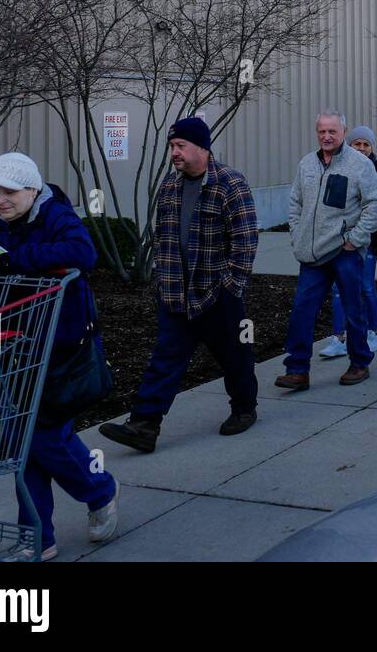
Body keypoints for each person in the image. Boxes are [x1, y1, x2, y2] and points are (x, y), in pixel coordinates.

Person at [0, 152, 119, 561]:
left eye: (8, 191)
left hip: (60, 341)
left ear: (32, 190)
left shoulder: (55, 215)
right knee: (24, 437)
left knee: (40, 435)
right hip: (12, 344)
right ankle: (36, 536)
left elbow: (81, 253)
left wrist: (11, 261)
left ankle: (97, 490)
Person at [100, 116, 259, 453]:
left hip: (217, 292)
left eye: (180, 145)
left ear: (201, 147)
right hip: (175, 291)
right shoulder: (170, 187)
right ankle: (144, 425)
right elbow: (163, 238)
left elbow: (245, 242)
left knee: (235, 354)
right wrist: (162, 279)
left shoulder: (230, 183)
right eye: (172, 146)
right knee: (166, 356)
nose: (174, 152)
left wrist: (231, 286)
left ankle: (244, 408)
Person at [272, 111, 377, 392]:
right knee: (302, 310)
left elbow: (376, 205)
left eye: (332, 131)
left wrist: (355, 238)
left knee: (353, 308)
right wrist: (297, 236)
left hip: (344, 252)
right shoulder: (307, 164)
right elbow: (295, 203)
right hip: (312, 255)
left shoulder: (359, 165)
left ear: (343, 132)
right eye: (322, 131)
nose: (326, 136)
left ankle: (359, 362)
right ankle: (297, 369)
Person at [317, 126, 377, 358]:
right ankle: (339, 336)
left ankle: (372, 333)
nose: (361, 148)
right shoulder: (337, 166)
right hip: (340, 239)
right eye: (356, 144)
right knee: (339, 289)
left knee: (366, 287)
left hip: (368, 238)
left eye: (365, 144)